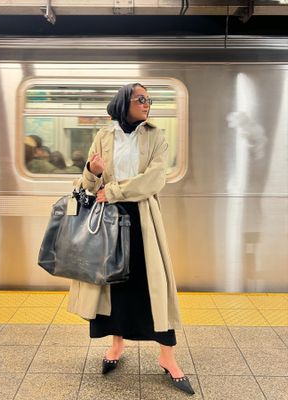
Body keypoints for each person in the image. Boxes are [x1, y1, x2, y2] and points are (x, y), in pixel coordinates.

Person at [67, 83, 195, 395]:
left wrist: (111, 191)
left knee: (154, 288)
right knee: (113, 285)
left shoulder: (155, 136)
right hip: (108, 222)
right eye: (141, 99)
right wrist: (91, 170)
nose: (147, 104)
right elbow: (88, 182)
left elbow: (155, 179)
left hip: (142, 221)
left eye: (149, 99)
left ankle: (167, 357)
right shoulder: (104, 135)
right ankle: (116, 345)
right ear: (125, 102)